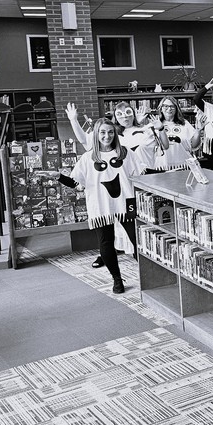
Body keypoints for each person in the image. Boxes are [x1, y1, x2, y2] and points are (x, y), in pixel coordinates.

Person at [56, 117, 154, 294]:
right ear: (96, 135)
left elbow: (141, 174)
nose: (106, 136)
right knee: (105, 243)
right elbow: (77, 183)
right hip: (100, 206)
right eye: (102, 132)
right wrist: (58, 177)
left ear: (115, 134)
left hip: (126, 203)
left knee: (138, 240)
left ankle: (151, 276)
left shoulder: (125, 153)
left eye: (110, 132)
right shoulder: (88, 158)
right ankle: (117, 279)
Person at [152, 95, 200, 171]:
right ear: (161, 108)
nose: (169, 109)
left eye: (172, 106)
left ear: (176, 109)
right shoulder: (154, 124)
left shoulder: (184, 123)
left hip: (183, 165)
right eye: (165, 106)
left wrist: (198, 131)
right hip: (162, 166)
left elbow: (194, 145)